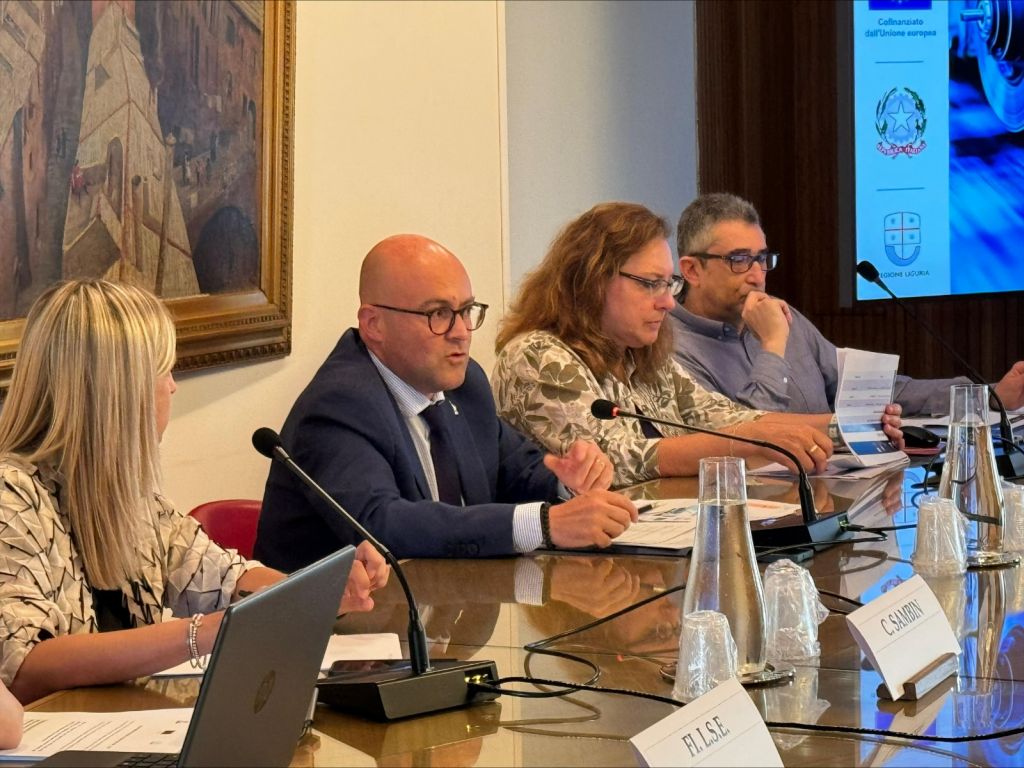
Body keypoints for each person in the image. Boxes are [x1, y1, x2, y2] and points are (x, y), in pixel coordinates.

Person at [0, 280, 388, 704]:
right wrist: (201, 633)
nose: (173, 386)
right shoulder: (11, 498)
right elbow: (22, 667)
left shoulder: (126, 494)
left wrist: (322, 590)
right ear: (119, 390)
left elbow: (225, 578)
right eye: (164, 370)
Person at [256, 235, 638, 571]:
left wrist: (569, 482)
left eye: (466, 311)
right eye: (438, 314)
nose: (461, 333)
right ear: (374, 325)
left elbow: (518, 471)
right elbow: (383, 524)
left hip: (452, 605)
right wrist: (543, 525)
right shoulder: (339, 405)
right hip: (348, 624)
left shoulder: (464, 384)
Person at [493, 202, 904, 489]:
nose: (668, 301)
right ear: (592, 280)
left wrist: (852, 428)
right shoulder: (536, 356)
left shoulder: (641, 356)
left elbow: (726, 417)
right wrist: (746, 444)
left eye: (667, 283)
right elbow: (618, 458)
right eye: (651, 284)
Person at [670, 193, 1024, 416]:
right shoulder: (672, 349)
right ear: (692, 270)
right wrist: (773, 346)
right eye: (739, 260)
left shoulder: (783, 315)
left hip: (833, 499)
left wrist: (987, 396)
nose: (757, 275)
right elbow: (744, 443)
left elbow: (876, 391)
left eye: (762, 258)